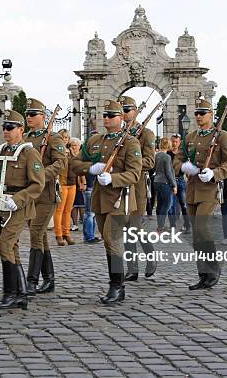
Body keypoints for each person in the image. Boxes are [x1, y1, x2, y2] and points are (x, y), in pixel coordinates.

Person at [71, 99, 142, 304]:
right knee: (108, 242)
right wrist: (90, 168)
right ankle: (116, 283)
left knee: (112, 239)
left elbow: (135, 173)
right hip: (100, 198)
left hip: (121, 199)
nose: (107, 119)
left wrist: (114, 178)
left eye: (111, 115)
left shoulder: (130, 142)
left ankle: (117, 286)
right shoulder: (95, 141)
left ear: (121, 118)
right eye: (105, 115)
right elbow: (75, 163)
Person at [0, 110, 45, 309]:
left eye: (10, 128)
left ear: (21, 130)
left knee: (5, 245)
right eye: (4, 127)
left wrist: (18, 200)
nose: (6, 131)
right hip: (0, 204)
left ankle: (9, 293)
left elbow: (37, 184)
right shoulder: (0, 151)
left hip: (18, 206)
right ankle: (21, 294)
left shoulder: (29, 153)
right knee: (12, 247)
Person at [173, 98, 227, 290]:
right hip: (192, 189)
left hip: (209, 188)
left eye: (203, 113)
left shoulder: (223, 136)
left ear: (211, 114)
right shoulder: (190, 137)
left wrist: (214, 174)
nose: (199, 116)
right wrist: (184, 166)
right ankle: (203, 274)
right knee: (196, 235)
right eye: (197, 113)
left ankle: (214, 267)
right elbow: (177, 159)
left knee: (202, 227)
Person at [22, 99, 66, 295]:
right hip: (29, 195)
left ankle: (31, 281)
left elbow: (61, 163)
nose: (29, 117)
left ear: (43, 116)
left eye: (33, 114)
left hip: (46, 194)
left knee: (35, 235)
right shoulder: (24, 138)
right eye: (27, 114)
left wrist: (40, 176)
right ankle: (49, 279)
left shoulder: (53, 138)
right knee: (41, 237)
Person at [119, 96, 157, 281]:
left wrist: (131, 164)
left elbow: (150, 161)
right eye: (121, 111)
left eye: (126, 110)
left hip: (138, 185)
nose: (124, 114)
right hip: (121, 186)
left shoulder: (146, 134)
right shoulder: (118, 135)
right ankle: (132, 268)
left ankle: (147, 260)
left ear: (135, 111)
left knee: (133, 227)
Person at [53, 129, 76, 246]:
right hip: (61, 183)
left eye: (67, 137)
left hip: (72, 183)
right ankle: (59, 234)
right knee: (59, 210)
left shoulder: (71, 152)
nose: (65, 139)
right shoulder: (57, 151)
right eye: (63, 137)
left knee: (68, 210)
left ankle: (67, 233)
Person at [167, 133, 191, 233]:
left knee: (184, 204)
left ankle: (187, 225)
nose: (174, 143)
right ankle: (172, 226)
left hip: (180, 179)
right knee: (170, 205)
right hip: (170, 181)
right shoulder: (167, 153)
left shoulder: (183, 154)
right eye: (173, 141)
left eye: (176, 142)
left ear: (180, 143)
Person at [83, 131, 102, 244]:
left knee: (93, 213)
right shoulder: (89, 154)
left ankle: (91, 234)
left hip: (95, 185)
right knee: (90, 213)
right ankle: (89, 236)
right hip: (90, 185)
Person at [154, 138, 176, 234]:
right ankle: (161, 227)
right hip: (165, 182)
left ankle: (159, 226)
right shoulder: (167, 157)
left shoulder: (157, 155)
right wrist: (174, 185)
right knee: (167, 205)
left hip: (156, 181)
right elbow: (168, 172)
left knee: (159, 204)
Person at [70, 138, 86, 231]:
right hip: (71, 181)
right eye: (72, 145)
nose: (74, 147)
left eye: (76, 146)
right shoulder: (68, 155)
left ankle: (84, 223)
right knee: (73, 205)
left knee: (81, 204)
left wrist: (83, 182)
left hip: (80, 181)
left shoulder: (82, 156)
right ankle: (75, 223)